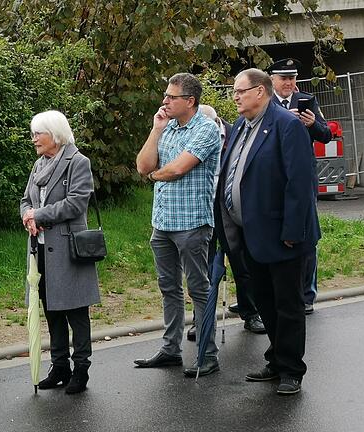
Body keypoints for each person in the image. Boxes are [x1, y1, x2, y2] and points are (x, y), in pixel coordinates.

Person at [216, 68, 320, 395]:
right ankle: (276, 359)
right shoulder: (240, 128)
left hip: (282, 234)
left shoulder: (286, 125)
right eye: (234, 91)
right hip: (250, 234)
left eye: (240, 91)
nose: (235, 96)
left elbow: (300, 183)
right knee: (265, 301)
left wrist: (292, 230)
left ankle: (291, 369)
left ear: (260, 92)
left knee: (288, 304)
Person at [134, 73, 222, 377]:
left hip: (192, 223)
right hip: (162, 223)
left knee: (198, 288)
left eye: (172, 97)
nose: (165, 101)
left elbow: (177, 169)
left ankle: (207, 354)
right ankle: (170, 349)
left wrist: (156, 174)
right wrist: (156, 130)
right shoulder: (167, 126)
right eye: (166, 96)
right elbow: (143, 165)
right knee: (168, 288)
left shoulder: (206, 129)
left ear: (190, 101)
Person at [20, 110, 100, 395]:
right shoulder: (38, 164)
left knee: (76, 312)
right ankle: (59, 366)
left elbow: (77, 203)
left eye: (38, 134)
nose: (34, 140)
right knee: (51, 310)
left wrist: (38, 215)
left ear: (55, 134)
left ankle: (81, 369)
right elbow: (26, 199)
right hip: (41, 250)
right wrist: (27, 216)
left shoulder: (78, 162)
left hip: (69, 249)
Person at [192, 105, 265, 339]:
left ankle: (251, 312)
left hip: (230, 210)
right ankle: (201, 320)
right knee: (205, 268)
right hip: (203, 209)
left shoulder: (236, 134)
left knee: (241, 263)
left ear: (216, 122)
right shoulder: (192, 136)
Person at [269, 58, 331, 315]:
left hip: (302, 180)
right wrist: (283, 119)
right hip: (273, 180)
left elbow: (326, 135)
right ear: (272, 79)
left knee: (306, 238)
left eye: (292, 78)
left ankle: (306, 295)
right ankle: (277, 292)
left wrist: (311, 123)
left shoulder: (307, 101)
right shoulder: (265, 104)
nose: (289, 83)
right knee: (274, 235)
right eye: (284, 78)